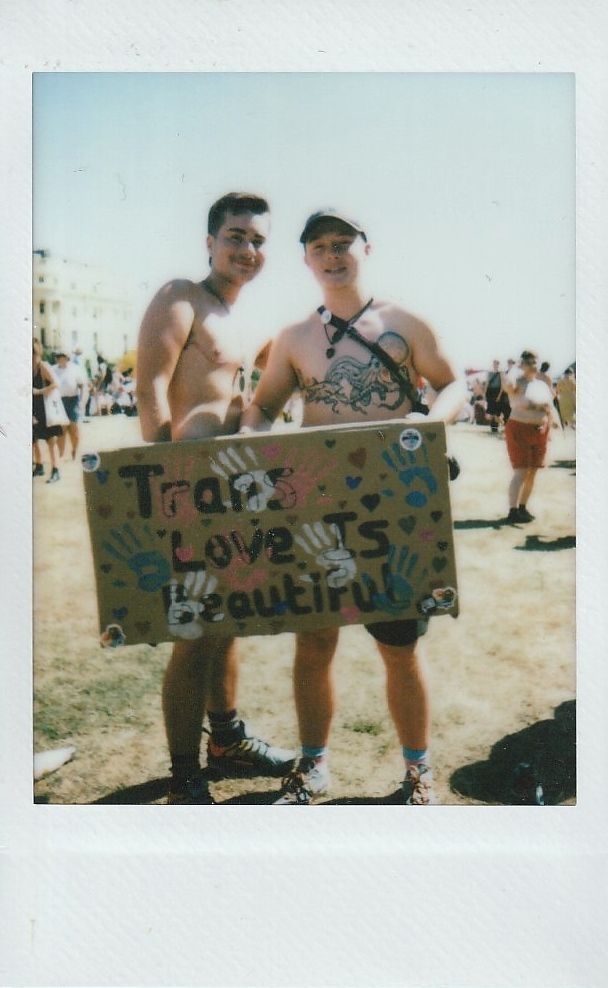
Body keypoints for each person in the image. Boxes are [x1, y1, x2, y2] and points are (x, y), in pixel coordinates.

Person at [240, 208, 467, 805]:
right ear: (306, 259)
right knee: (314, 644)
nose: (333, 255)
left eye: (343, 243)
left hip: (392, 509)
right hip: (315, 508)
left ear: (366, 247)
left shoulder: (404, 321)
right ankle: (313, 766)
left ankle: (418, 771)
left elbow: (453, 384)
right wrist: (253, 443)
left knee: (399, 648)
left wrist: (425, 425)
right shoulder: (293, 338)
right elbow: (262, 408)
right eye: (320, 247)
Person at [136, 192, 294, 804]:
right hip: (186, 489)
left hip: (237, 489)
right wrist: (158, 484)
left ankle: (225, 741)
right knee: (194, 633)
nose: (248, 250)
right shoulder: (182, 297)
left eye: (258, 241)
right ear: (210, 242)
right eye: (236, 236)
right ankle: (184, 776)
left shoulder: (246, 318)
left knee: (229, 622)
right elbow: (150, 384)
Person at [503, 350, 558, 524]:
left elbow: (550, 407)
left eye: (535, 361)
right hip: (519, 429)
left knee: (533, 471)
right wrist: (515, 369)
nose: (533, 365)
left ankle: (522, 507)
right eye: (528, 361)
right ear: (522, 364)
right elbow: (508, 386)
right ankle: (512, 511)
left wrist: (553, 424)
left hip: (540, 430)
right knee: (521, 471)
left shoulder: (541, 385)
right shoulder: (516, 382)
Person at [32, 338, 63, 483]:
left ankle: (56, 470)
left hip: (47, 408)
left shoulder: (43, 366)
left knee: (51, 441)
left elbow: (56, 383)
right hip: (33, 408)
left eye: (34, 352)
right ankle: (39, 466)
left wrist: (39, 391)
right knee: (33, 439)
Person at [53, 352, 87, 459]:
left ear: (67, 358)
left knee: (74, 428)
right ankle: (61, 456)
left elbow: (81, 386)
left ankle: (75, 451)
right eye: (58, 357)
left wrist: (81, 401)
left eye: (62, 357)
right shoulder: (53, 370)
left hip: (73, 401)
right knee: (61, 430)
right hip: (59, 402)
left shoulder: (75, 369)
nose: (60, 359)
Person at [483, 359, 504, 433]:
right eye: (494, 363)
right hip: (490, 392)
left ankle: (497, 427)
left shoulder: (500, 373)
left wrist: (499, 395)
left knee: (496, 412)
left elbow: (502, 386)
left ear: (498, 365)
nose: (495, 365)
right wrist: (485, 394)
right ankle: (493, 428)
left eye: (496, 364)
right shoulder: (489, 373)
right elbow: (487, 384)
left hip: (497, 391)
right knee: (491, 411)